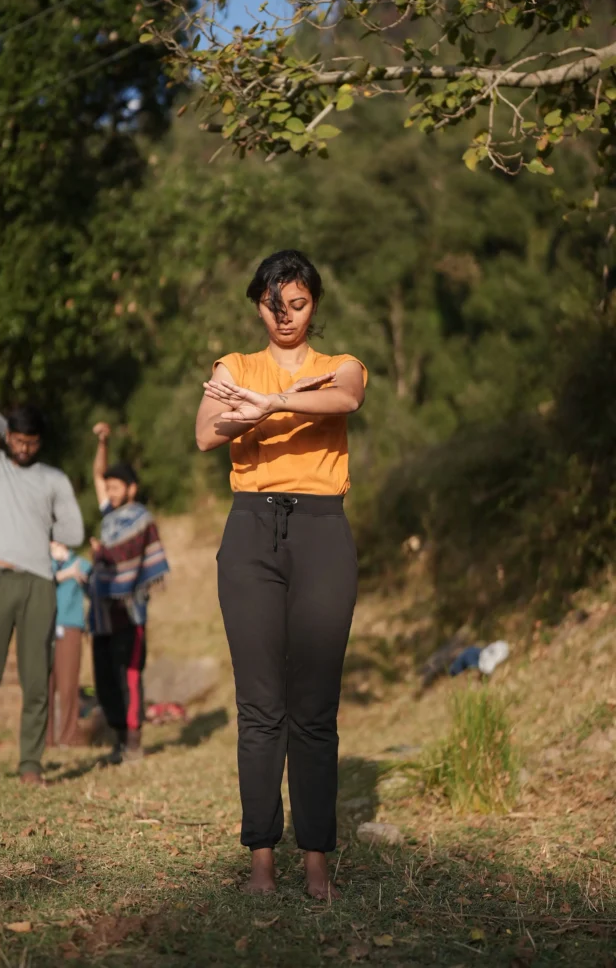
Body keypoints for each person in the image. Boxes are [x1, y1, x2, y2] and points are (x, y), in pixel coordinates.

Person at [195, 249, 367, 900]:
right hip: (251, 531)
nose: (286, 316)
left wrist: (261, 406)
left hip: (323, 531)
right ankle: (261, 863)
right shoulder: (231, 367)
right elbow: (209, 433)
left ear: (313, 304)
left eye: (297, 304)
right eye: (274, 304)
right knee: (260, 707)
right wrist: (261, 404)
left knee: (314, 710)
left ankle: (317, 863)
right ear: (258, 303)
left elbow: (344, 399)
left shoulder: (339, 365)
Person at [0, 404, 84, 786]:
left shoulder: (53, 479)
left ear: (41, 442)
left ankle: (31, 765)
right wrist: (6, 424)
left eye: (31, 442)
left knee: (36, 678)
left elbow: (74, 531)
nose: (24, 448)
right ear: (7, 436)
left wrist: (42, 527)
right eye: (17, 440)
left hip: (40, 583)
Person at [88, 423, 169, 763]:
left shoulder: (139, 518)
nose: (110, 490)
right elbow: (96, 473)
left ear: (132, 488)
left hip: (131, 612)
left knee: (129, 674)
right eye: (109, 486)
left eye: (117, 485)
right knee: (105, 676)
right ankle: (119, 741)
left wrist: (103, 557)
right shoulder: (109, 516)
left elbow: (132, 558)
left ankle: (135, 743)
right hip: (104, 612)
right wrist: (103, 442)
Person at [46, 540, 92, 748]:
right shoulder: (44, 564)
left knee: (68, 685)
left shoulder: (80, 563)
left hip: (70, 627)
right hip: (45, 627)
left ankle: (69, 736)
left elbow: (92, 581)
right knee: (44, 685)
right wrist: (64, 574)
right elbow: (41, 581)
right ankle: (44, 739)